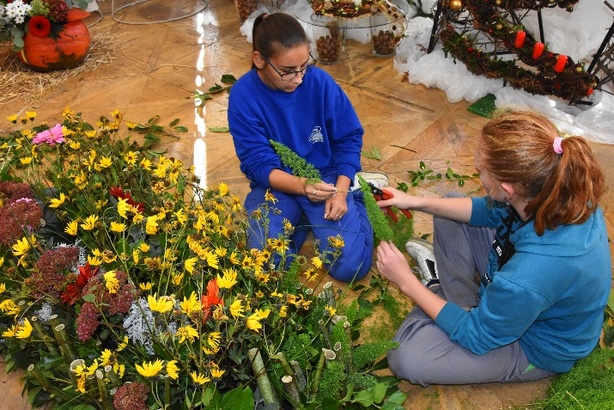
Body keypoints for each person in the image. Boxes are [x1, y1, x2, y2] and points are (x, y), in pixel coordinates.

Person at [375, 111, 612, 386]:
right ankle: (460, 307)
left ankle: (438, 291)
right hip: (521, 293)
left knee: (407, 356)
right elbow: (487, 212)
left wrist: (406, 282)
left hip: (534, 345)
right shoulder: (557, 189)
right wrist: (414, 201)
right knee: (449, 206)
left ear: (508, 189)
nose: (479, 176)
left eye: (481, 171)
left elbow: (478, 338)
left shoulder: (530, 274)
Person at [227, 12, 386, 282]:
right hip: (276, 185)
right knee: (263, 266)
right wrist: (301, 188)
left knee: (351, 268)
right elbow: (258, 164)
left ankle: (357, 198)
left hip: (326, 180)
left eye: (304, 66)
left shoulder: (320, 82)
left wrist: (341, 190)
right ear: (259, 60)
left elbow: (348, 138)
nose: (299, 78)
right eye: (288, 71)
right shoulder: (243, 96)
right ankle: (301, 216)